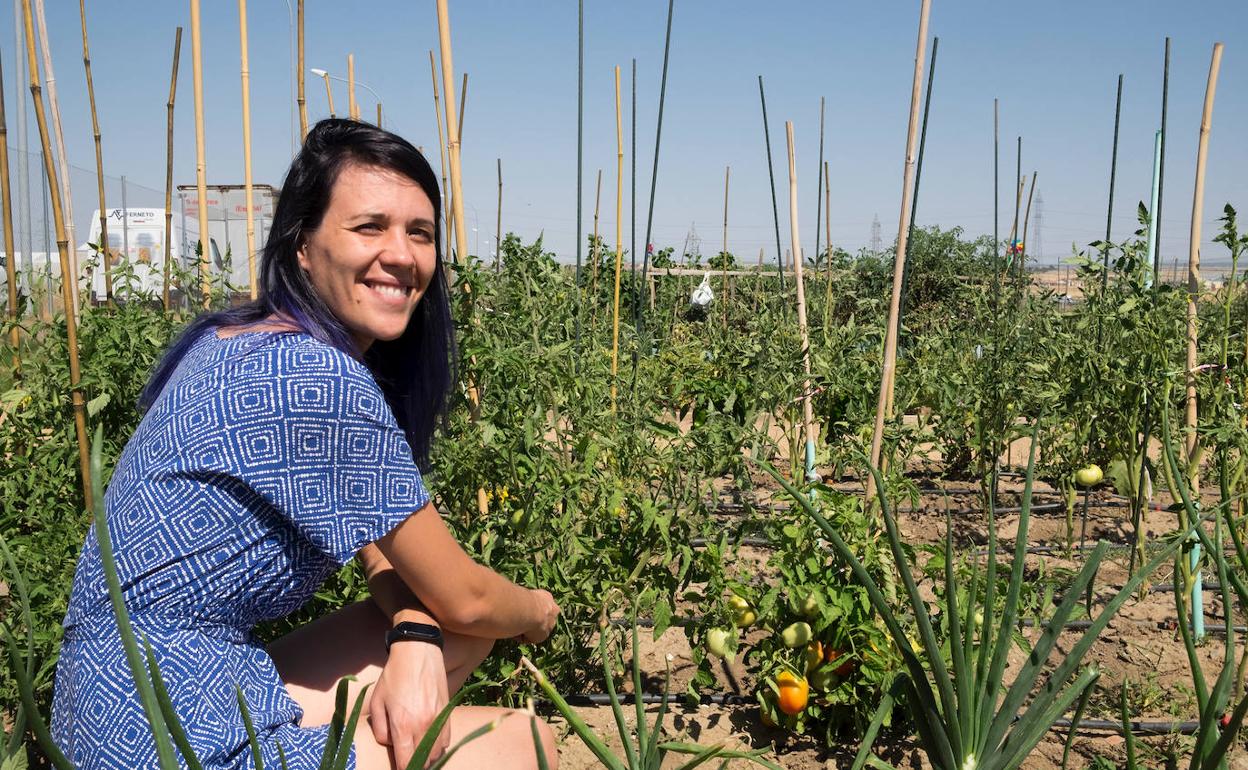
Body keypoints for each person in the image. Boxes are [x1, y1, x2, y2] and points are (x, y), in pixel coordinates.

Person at [51, 119, 561, 770]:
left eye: (420, 232)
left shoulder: (237, 338)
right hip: (165, 740)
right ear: (301, 243)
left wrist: (412, 634)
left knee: (449, 637)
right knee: (525, 744)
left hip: (103, 701)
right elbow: (467, 595)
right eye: (368, 227)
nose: (401, 253)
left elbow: (386, 550)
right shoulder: (322, 381)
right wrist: (537, 610)